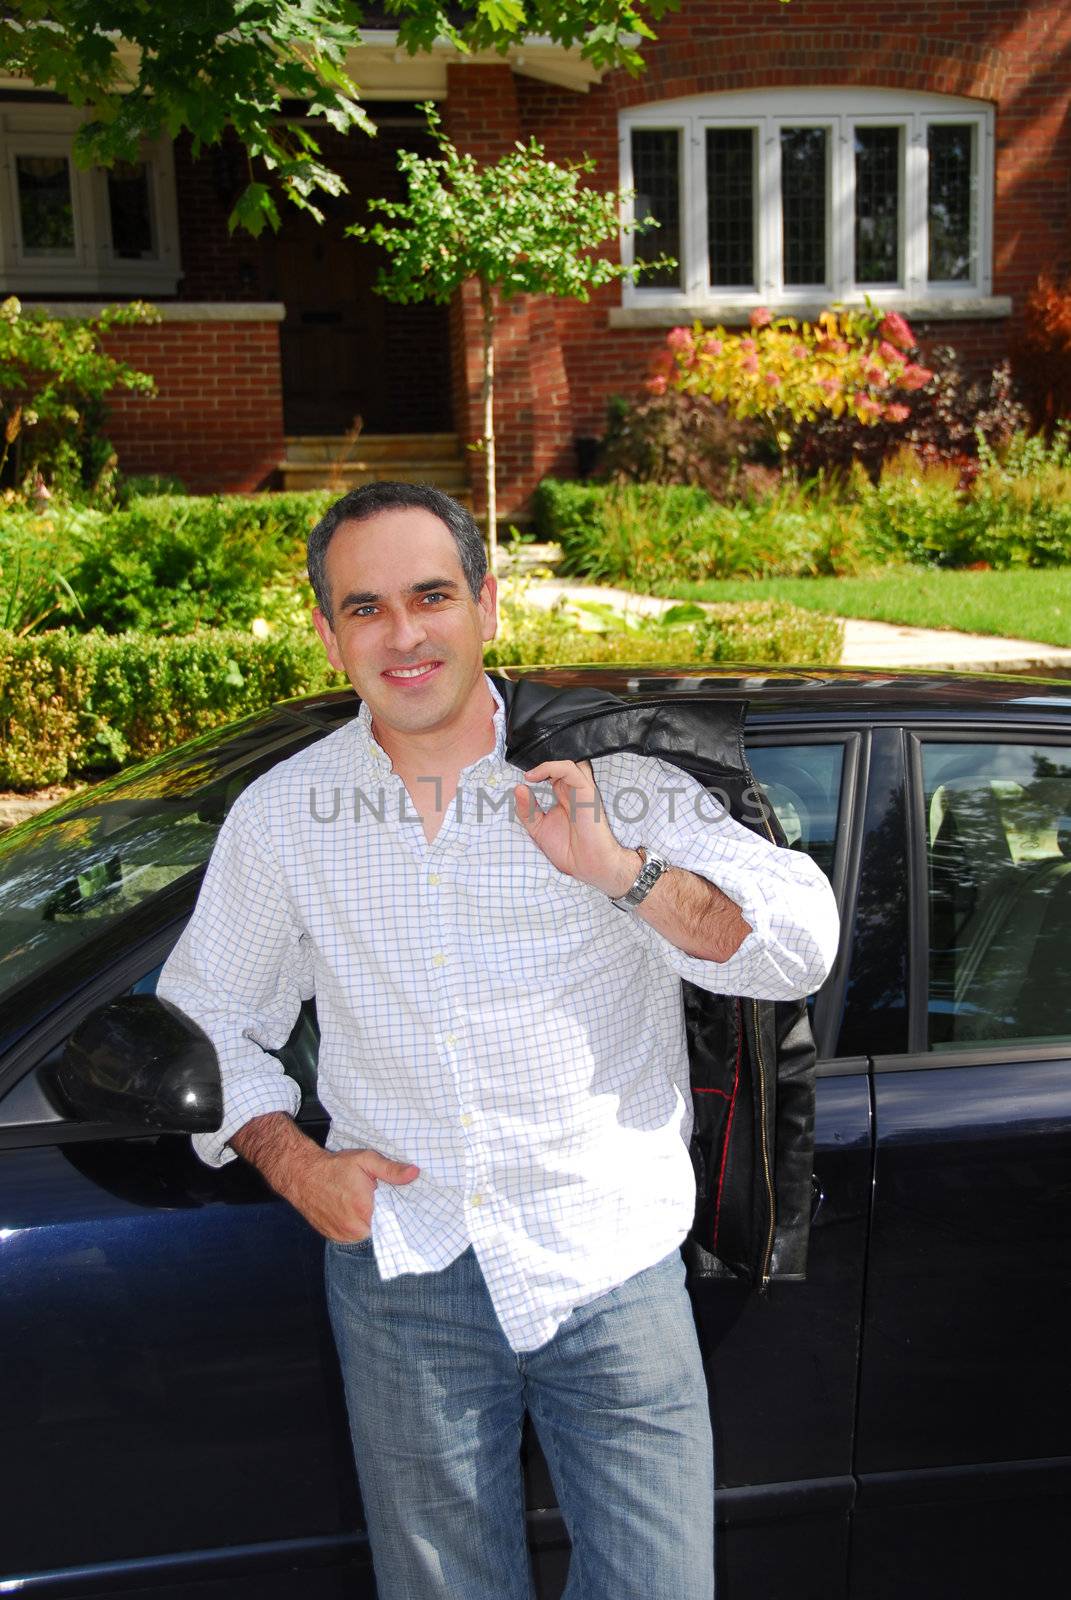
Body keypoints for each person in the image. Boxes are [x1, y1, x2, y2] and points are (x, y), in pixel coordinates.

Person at [157, 481, 839, 1600]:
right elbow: (207, 1017)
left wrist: (621, 872)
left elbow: (795, 945)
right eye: (365, 607)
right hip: (404, 1277)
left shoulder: (614, 776)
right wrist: (294, 1163)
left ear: (486, 602)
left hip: (608, 1264)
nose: (405, 633)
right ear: (330, 635)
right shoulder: (285, 815)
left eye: (431, 595)